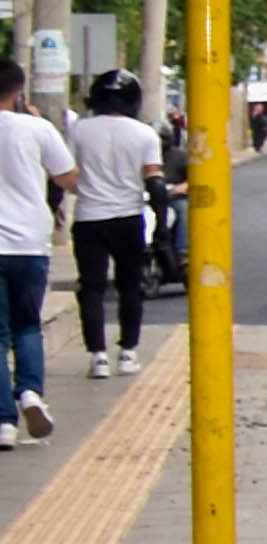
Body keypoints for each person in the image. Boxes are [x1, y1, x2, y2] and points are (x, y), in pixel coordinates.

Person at [66, 69, 157, 384]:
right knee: (130, 287)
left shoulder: (79, 130)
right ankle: (128, 352)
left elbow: (67, 173)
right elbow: (155, 182)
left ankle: (98, 357)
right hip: (129, 218)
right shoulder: (145, 134)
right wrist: (162, 235)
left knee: (91, 288)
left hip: (89, 218)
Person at [0, 60, 71, 448]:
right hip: (28, 242)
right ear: (18, 90)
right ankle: (29, 393)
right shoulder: (37, 128)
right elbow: (68, 177)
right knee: (27, 325)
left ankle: (3, 424)